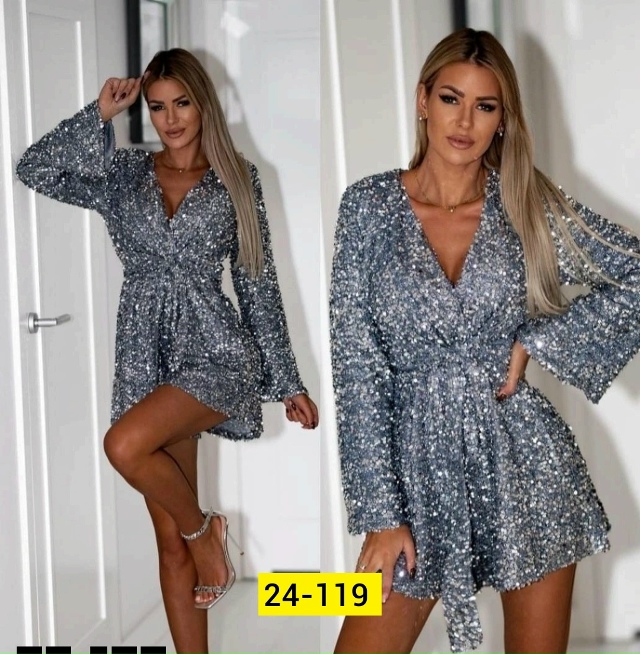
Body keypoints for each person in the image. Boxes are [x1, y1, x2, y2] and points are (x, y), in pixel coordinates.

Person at [330, 28, 640, 654]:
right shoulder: (366, 206)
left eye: (485, 105)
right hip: (414, 474)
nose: (465, 121)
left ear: (503, 119)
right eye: (451, 98)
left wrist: (539, 341)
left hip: (527, 469)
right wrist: (381, 515)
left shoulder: (526, 204)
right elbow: (356, 366)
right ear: (423, 100)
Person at [17, 48, 318, 654]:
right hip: (143, 356)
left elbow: (258, 284)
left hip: (218, 352)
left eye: (182, 103)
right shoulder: (124, 174)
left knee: (123, 446)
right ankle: (199, 546)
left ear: (204, 104)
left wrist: (288, 382)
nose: (171, 118)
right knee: (168, 541)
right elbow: (35, 169)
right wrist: (99, 113)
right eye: (157, 107)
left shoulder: (238, 179)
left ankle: (208, 534)